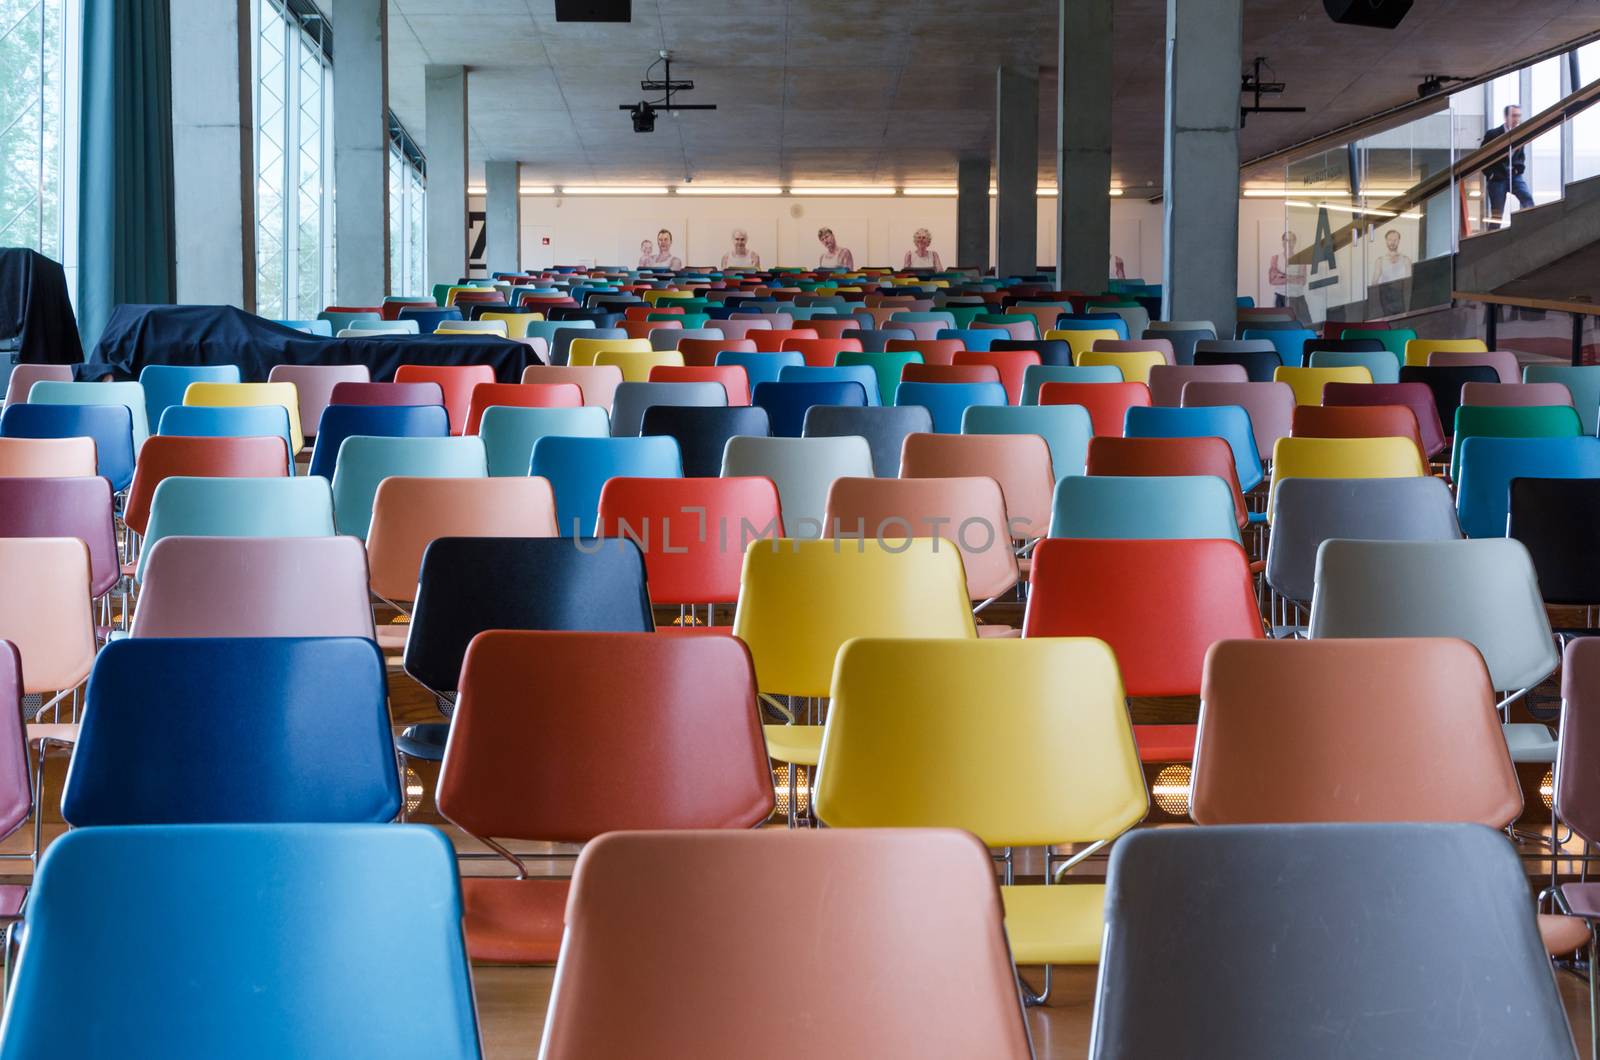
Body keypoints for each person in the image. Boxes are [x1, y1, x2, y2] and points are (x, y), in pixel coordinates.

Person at [1481, 104, 1534, 228]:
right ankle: (1492, 243)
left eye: (1519, 116)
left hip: (1514, 176)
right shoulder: (1493, 134)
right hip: (1497, 179)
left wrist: (1517, 169)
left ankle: (1530, 227)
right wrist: (1490, 174)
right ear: (1506, 117)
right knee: (1497, 215)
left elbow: (1520, 157)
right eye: (1514, 115)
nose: (1517, 119)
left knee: (1528, 199)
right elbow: (1481, 157)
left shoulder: (1520, 134)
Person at [1267, 231, 1308, 309]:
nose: (1288, 243)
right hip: (1280, 298)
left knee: (1304, 321)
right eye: (1286, 240)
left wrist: (1282, 276)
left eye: (1291, 240)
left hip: (1298, 297)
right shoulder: (1275, 258)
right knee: (1280, 321)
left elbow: (1302, 281)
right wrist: (1296, 277)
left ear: (1295, 242)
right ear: (1282, 242)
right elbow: (1272, 280)